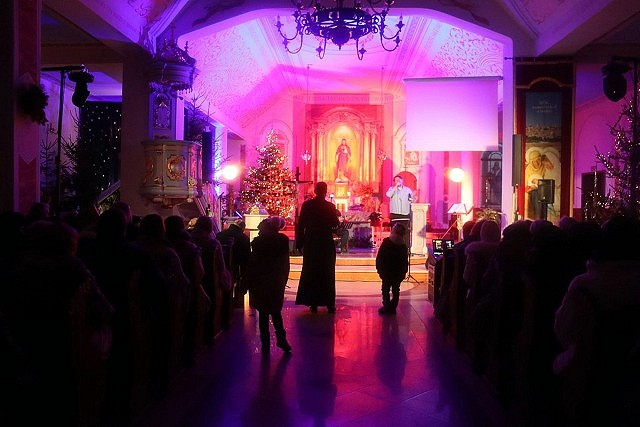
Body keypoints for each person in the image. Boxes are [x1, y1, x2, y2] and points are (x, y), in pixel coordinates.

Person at [245, 216, 292, 353]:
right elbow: (285, 263)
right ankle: (281, 339)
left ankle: (265, 343)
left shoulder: (258, 243)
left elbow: (253, 263)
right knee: (276, 311)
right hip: (276, 278)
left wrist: (249, 281)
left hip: (261, 279)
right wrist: (284, 279)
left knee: (263, 313)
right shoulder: (282, 241)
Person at [295, 181, 340, 313]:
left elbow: (301, 224)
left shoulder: (307, 205)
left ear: (315, 191)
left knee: (311, 271)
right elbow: (335, 224)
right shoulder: (330, 206)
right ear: (325, 191)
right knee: (327, 272)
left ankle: (313, 302)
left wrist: (299, 243)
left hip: (311, 241)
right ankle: (329, 303)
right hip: (325, 242)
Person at [375, 222, 409, 314]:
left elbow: (380, 256)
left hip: (386, 271)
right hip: (397, 272)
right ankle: (393, 307)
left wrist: (379, 269)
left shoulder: (387, 242)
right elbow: (404, 261)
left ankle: (386, 306)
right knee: (396, 289)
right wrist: (403, 272)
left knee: (385, 289)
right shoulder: (402, 245)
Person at [386, 174, 414, 246]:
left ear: (402, 181)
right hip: (395, 214)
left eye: (399, 180)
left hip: (405, 213)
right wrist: (395, 187)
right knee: (395, 231)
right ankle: (394, 246)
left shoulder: (407, 190)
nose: (398, 181)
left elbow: (412, 199)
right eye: (396, 180)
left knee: (405, 231)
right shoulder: (392, 189)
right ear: (394, 182)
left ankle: (406, 246)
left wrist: (412, 199)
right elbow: (388, 195)